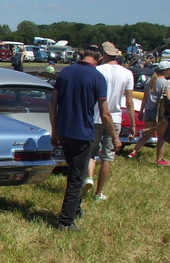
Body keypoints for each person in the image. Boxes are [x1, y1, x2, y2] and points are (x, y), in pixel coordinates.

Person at [49, 44, 121, 230]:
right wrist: (114, 136)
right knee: (76, 178)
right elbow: (104, 113)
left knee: (74, 170)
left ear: (82, 55)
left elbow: (53, 104)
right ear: (98, 58)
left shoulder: (65, 73)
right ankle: (66, 221)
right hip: (83, 133)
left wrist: (54, 130)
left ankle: (76, 208)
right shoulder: (97, 77)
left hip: (64, 131)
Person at [85, 42, 134, 200]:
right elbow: (129, 102)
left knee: (91, 153)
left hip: (96, 116)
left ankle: (89, 178)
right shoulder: (127, 73)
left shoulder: (97, 70)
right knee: (107, 156)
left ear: (103, 55)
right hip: (115, 118)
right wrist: (133, 123)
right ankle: (98, 193)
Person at [128, 60, 170, 164]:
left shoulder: (149, 81)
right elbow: (169, 98)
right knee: (161, 138)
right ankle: (159, 159)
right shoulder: (166, 83)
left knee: (146, 135)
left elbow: (145, 98)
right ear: (166, 71)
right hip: (159, 113)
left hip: (148, 111)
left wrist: (141, 111)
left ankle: (133, 152)